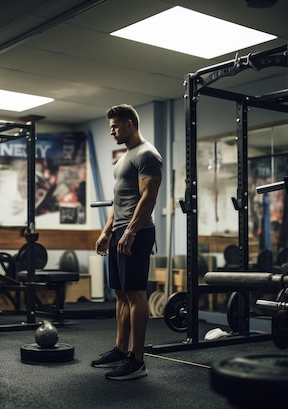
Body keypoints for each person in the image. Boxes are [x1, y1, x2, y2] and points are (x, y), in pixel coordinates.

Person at [91, 104, 163, 380]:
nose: (112, 132)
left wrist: (131, 232)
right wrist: (106, 231)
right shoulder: (125, 158)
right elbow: (119, 201)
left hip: (137, 232)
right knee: (121, 293)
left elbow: (148, 197)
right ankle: (120, 350)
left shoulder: (147, 154)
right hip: (120, 231)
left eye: (115, 127)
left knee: (135, 293)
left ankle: (137, 360)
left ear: (130, 124)